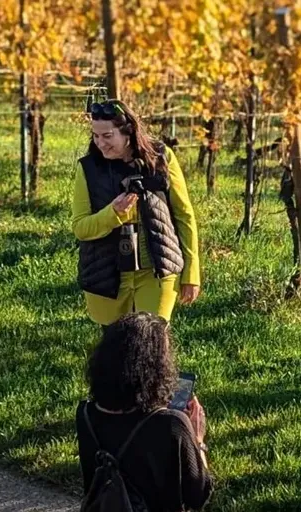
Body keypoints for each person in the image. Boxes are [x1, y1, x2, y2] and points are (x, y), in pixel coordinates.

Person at [72, 99, 200, 325]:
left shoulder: (161, 158)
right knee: (115, 350)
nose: (100, 143)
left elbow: (184, 215)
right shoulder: (88, 169)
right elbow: (81, 229)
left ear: (128, 130)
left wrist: (191, 273)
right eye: (95, 135)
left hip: (157, 271)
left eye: (107, 136)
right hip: (107, 275)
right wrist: (112, 214)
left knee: (152, 344)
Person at [76, 312, 212, 512]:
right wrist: (198, 440)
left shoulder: (86, 414)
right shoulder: (172, 423)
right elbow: (199, 496)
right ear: (156, 368)